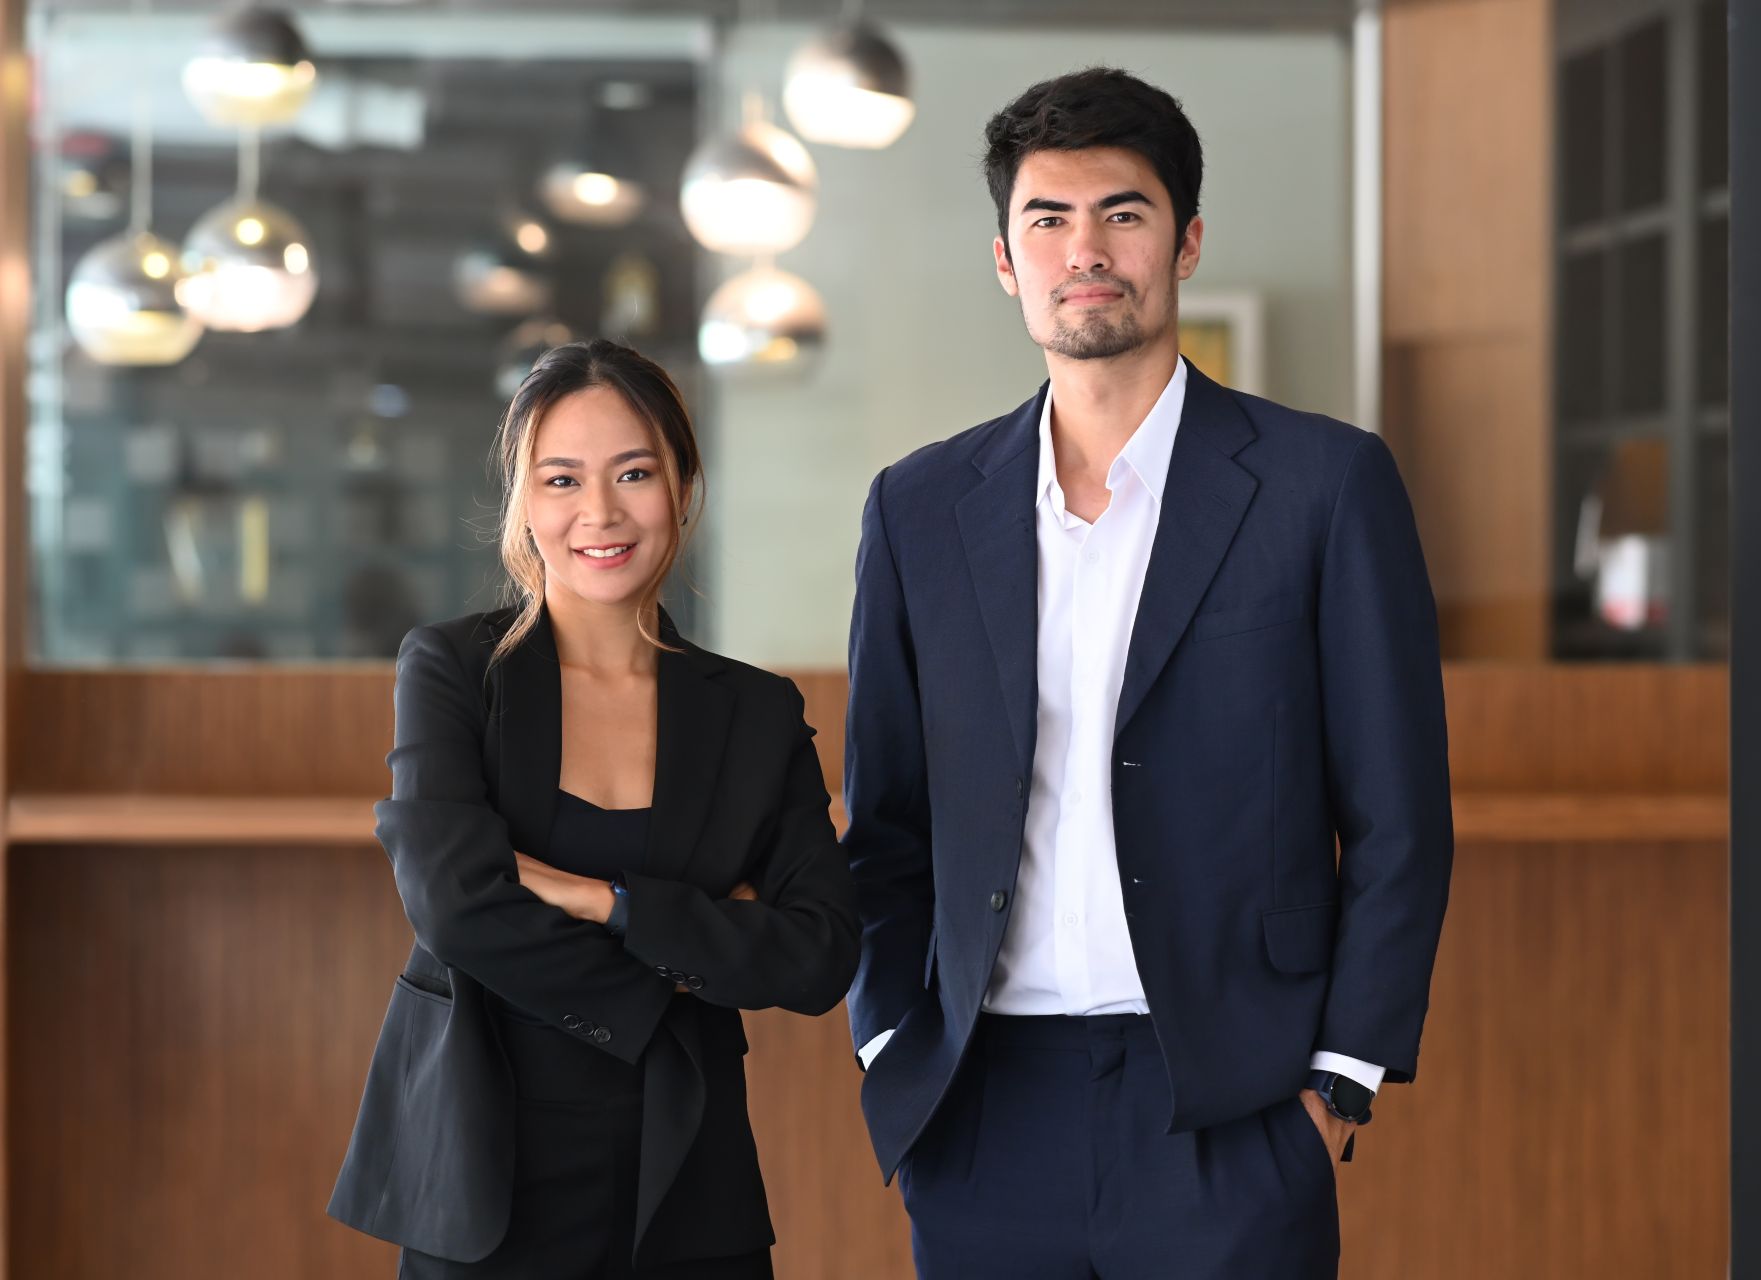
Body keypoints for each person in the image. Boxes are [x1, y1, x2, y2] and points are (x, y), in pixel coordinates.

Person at [842, 68, 1453, 1278]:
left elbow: (1399, 814)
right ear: (1006, 261)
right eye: (1048, 220)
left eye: (1123, 213)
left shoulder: (1325, 486)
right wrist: (889, 1038)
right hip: (982, 1108)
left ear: (1187, 242)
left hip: (1234, 1105)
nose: (1086, 250)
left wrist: (1340, 1080)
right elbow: (888, 816)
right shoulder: (918, 508)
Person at [329, 339, 858, 1278]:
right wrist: (685, 959)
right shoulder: (455, 670)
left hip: (687, 1177)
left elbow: (820, 955)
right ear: (525, 502)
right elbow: (456, 907)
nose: (600, 513)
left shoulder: (756, 710)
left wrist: (605, 902)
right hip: (485, 1176)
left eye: (635, 473)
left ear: (683, 488)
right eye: (563, 479)